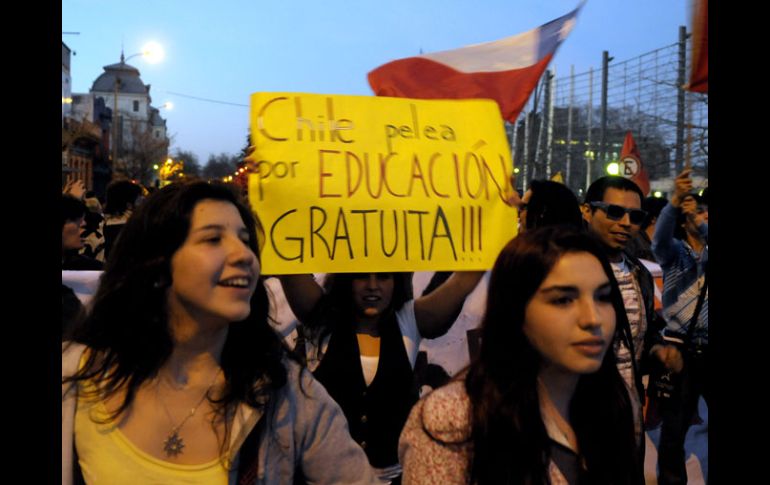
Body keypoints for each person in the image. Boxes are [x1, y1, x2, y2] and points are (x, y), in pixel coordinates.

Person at [62, 181, 382, 485]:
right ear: (156, 266)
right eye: (213, 239)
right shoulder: (71, 380)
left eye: (245, 240)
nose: (244, 255)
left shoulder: (288, 394)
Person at [399, 226, 642, 485]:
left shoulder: (616, 401)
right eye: (563, 300)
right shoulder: (453, 418)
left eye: (603, 297)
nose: (592, 319)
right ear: (515, 311)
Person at [278, 268, 483, 482]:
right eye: (361, 275)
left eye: (384, 276)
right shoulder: (322, 319)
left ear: (397, 281)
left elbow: (461, 282)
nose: (373, 285)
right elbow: (288, 265)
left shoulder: (409, 320)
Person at [581, 176, 663, 450]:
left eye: (636, 216)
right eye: (614, 212)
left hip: (628, 411)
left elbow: (646, 334)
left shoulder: (640, 273)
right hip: (578, 409)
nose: (626, 223)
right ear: (587, 211)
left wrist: (660, 350)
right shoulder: (564, 268)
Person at [651, 168, 708, 485]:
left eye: (703, 210)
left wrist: (700, 224)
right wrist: (673, 204)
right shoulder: (673, 253)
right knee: (673, 430)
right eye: (695, 209)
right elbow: (658, 237)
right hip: (678, 350)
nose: (700, 214)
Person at [102, 179, 144, 261]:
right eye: (139, 200)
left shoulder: (106, 225)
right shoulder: (133, 228)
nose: (142, 204)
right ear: (129, 205)